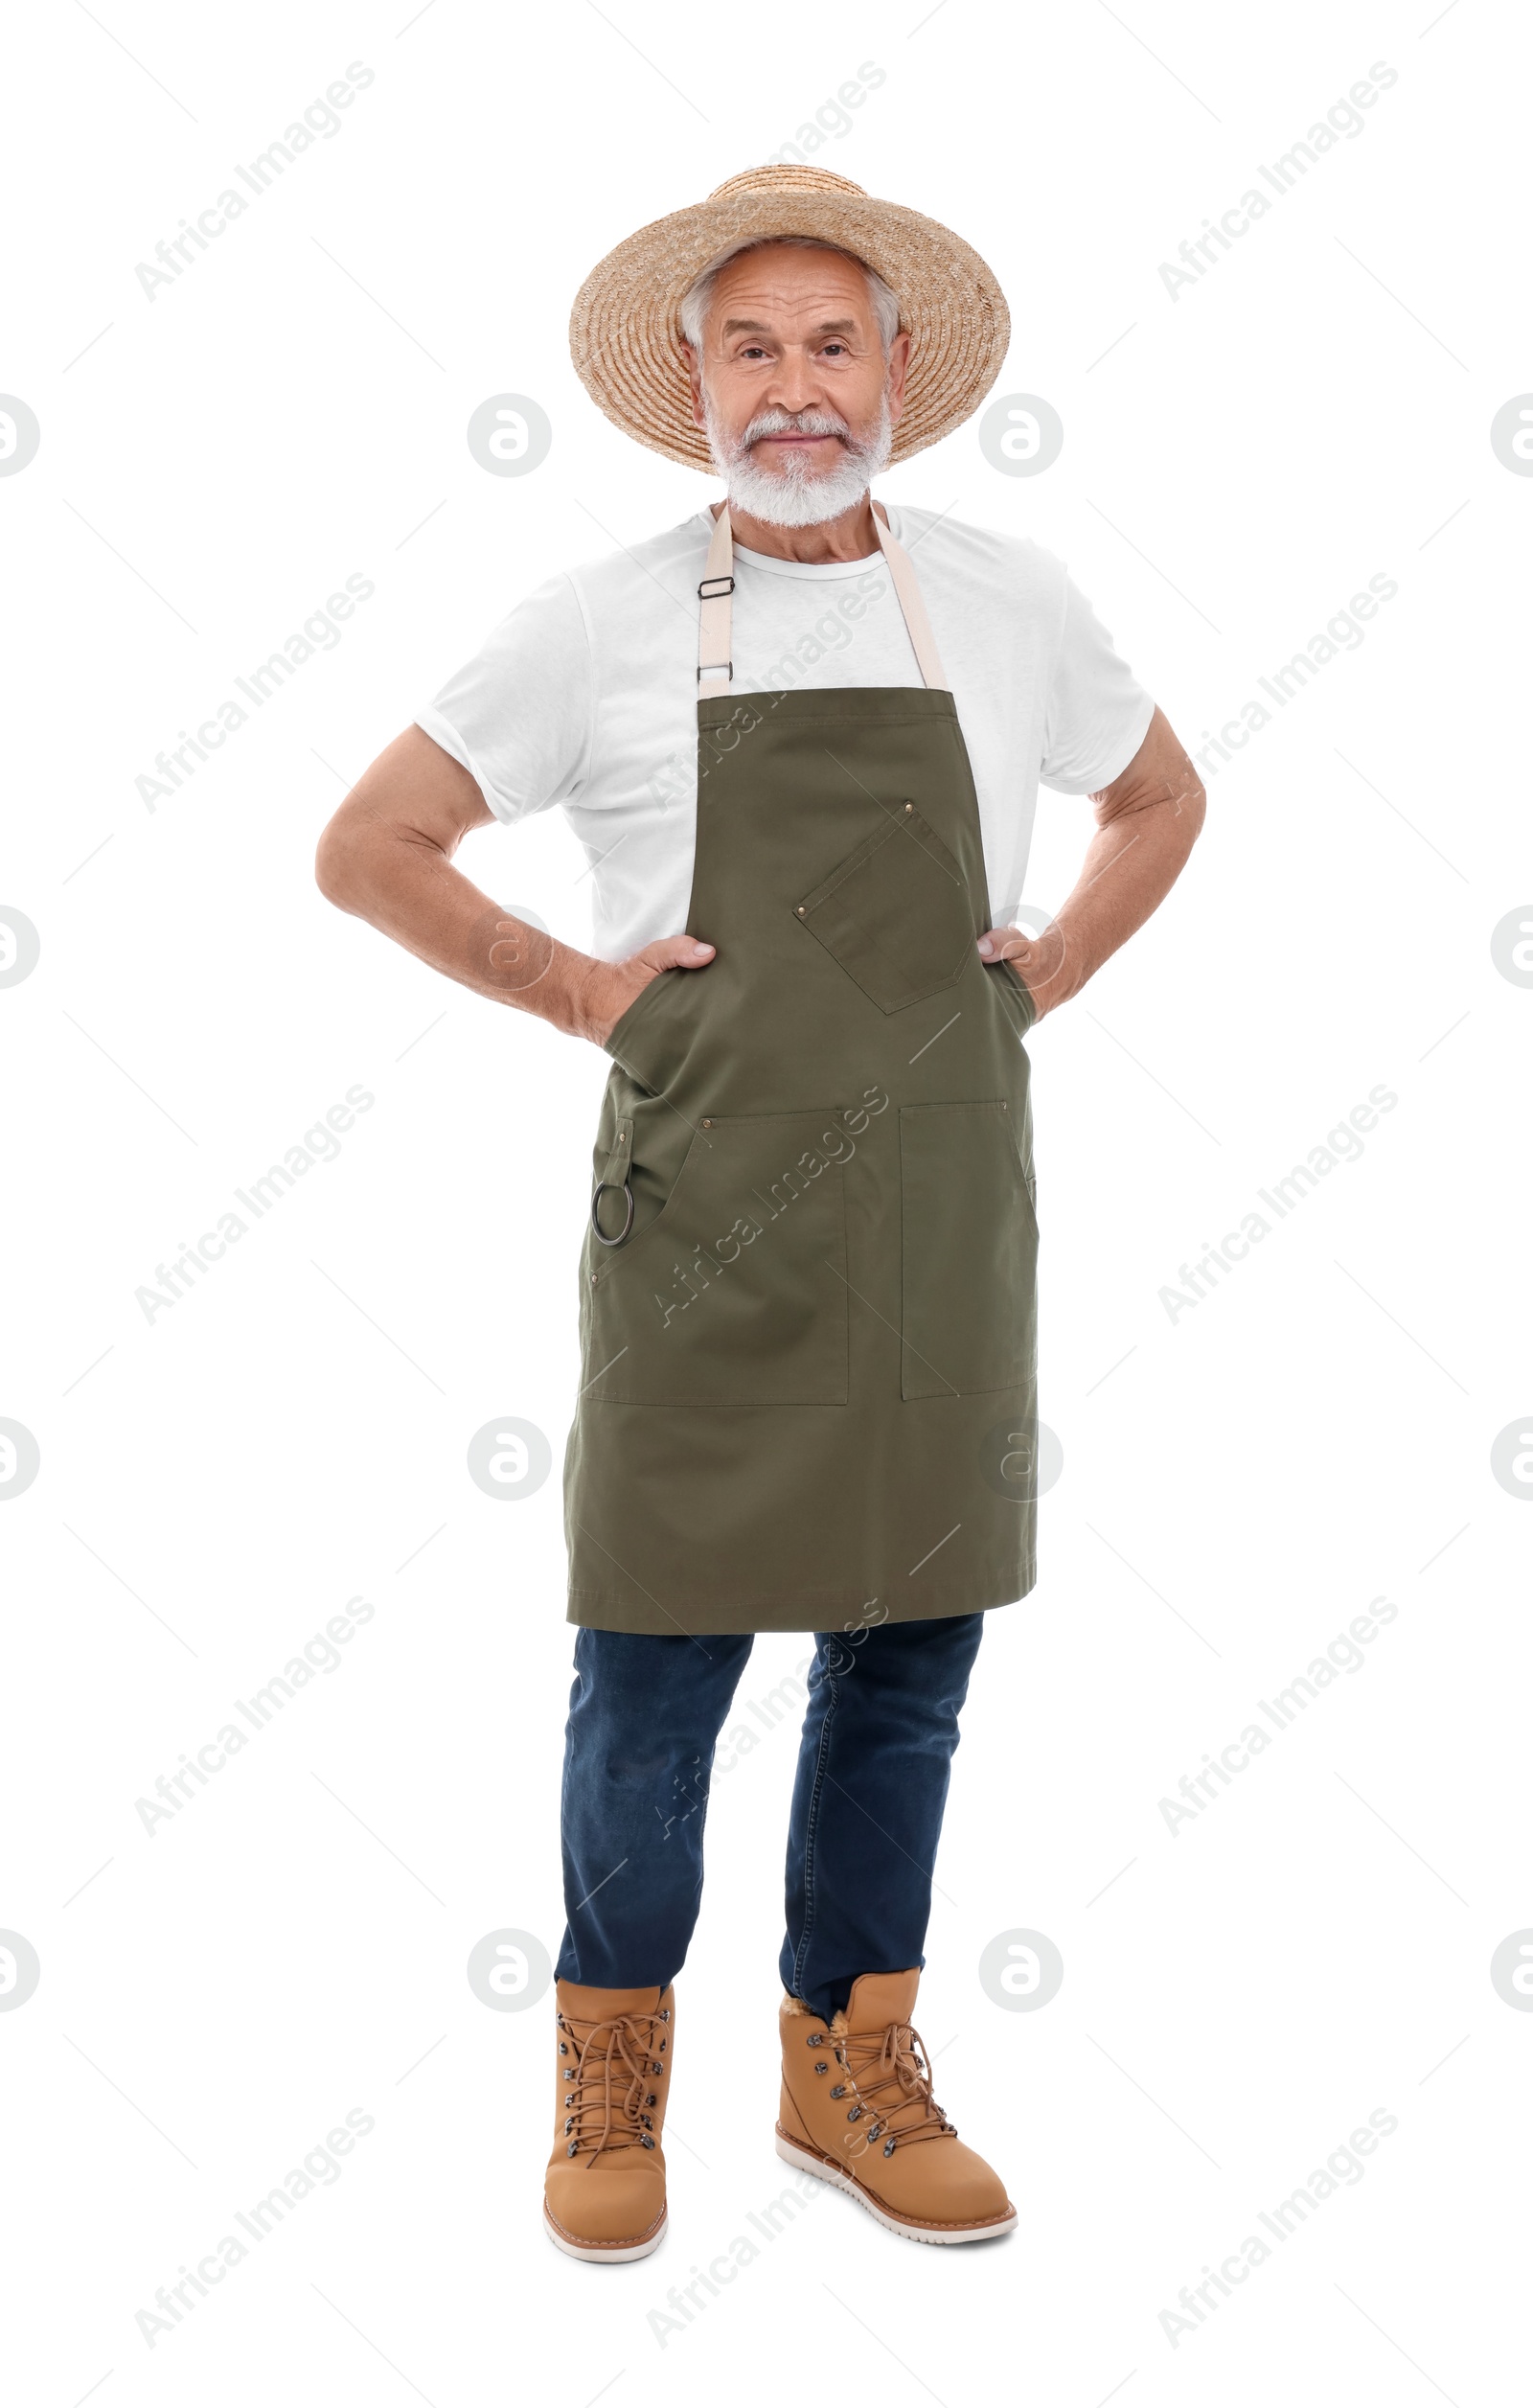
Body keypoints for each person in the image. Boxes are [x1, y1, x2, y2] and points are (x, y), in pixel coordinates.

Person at [316, 165, 1203, 2261]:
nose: (791, 388)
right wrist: (578, 988)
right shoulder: (598, 617)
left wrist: (1055, 964)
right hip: (705, 1208)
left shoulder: (1006, 597)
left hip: (938, 1205)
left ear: (897, 372)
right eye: (749, 348)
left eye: (829, 344)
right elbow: (375, 844)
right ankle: (610, 2060)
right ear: (692, 383)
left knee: (907, 1653)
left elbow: (1159, 795)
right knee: (654, 1658)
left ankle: (846, 2056)